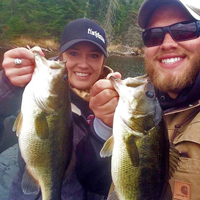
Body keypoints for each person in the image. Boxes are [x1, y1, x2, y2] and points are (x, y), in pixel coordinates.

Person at [0, 18, 120, 200]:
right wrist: (7, 84)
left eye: (94, 55)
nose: (83, 64)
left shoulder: (122, 105)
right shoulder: (37, 85)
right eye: (73, 53)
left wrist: (106, 124)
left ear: (104, 61)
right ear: (61, 55)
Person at [137, 0, 200, 199]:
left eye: (184, 30)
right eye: (153, 36)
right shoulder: (132, 99)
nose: (167, 44)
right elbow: (94, 179)